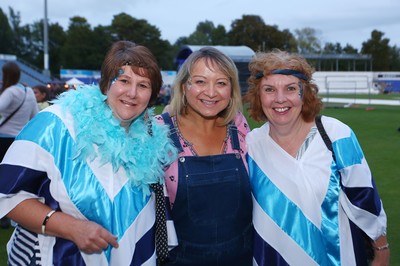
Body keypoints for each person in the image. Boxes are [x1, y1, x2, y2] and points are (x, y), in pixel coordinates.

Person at [0, 41, 177, 265]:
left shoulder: (153, 139)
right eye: (123, 80)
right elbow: (7, 194)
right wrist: (70, 227)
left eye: (143, 85)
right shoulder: (57, 124)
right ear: (105, 84)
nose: (132, 93)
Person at [244, 49, 390, 266]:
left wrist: (381, 249)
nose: (280, 98)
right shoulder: (250, 145)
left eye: (291, 88)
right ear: (258, 95)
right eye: (269, 89)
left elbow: (365, 200)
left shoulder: (336, 135)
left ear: (305, 93)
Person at [155, 47, 253, 265]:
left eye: (221, 83)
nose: (211, 92)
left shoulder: (239, 126)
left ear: (231, 89)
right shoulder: (158, 132)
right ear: (184, 86)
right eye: (200, 81)